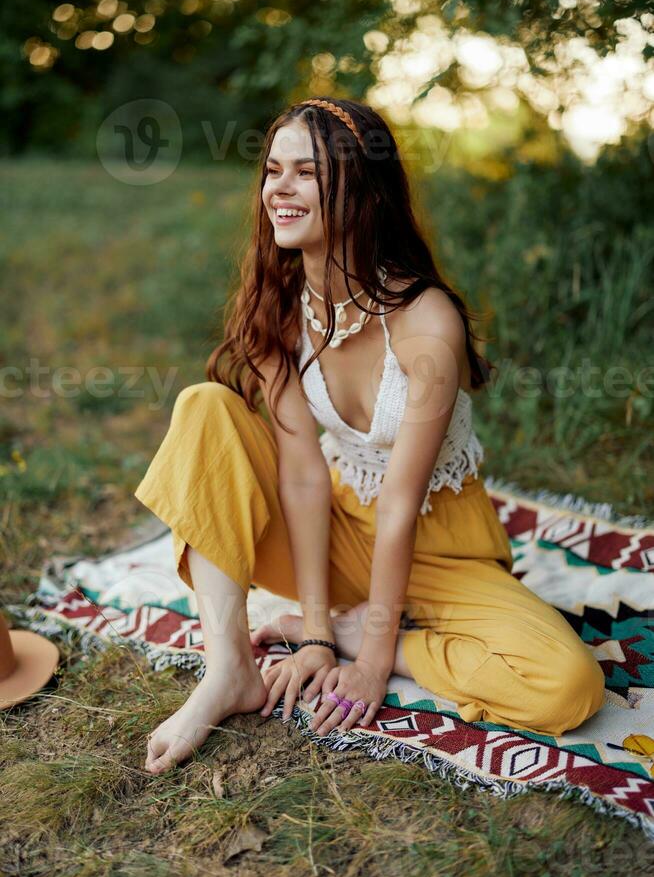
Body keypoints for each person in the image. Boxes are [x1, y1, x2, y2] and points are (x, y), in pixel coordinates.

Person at [135, 97, 605, 776]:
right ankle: (228, 669)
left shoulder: (427, 325)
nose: (279, 189)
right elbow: (300, 474)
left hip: (441, 548)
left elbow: (400, 505)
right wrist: (316, 632)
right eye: (273, 171)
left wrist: (372, 652)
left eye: (306, 173)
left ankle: (383, 629)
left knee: (568, 683)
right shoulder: (282, 308)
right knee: (205, 406)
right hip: (332, 533)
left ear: (361, 187)